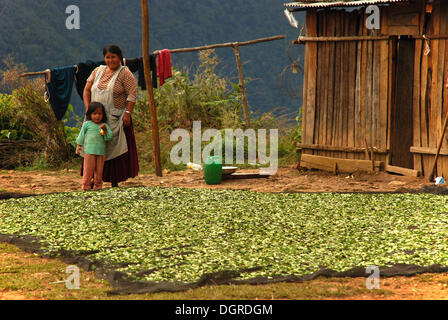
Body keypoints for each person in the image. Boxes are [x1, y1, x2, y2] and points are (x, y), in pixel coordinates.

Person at [82, 44, 139, 188]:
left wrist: (127, 113)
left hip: (115, 118)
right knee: (93, 147)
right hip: (94, 118)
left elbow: (132, 94)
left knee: (114, 148)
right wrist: (88, 109)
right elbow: (87, 89)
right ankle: (93, 179)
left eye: (113, 57)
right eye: (107, 57)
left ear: (119, 57)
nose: (110, 60)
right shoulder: (97, 71)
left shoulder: (125, 73)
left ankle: (114, 180)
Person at [76, 102, 113, 190]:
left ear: (103, 115)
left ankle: (98, 186)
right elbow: (81, 135)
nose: (97, 116)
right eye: (94, 113)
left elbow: (108, 137)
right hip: (89, 152)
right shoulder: (87, 124)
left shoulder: (104, 125)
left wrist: (105, 130)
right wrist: (79, 146)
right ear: (90, 114)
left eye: (99, 114)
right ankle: (86, 186)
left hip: (101, 152)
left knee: (99, 172)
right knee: (88, 170)